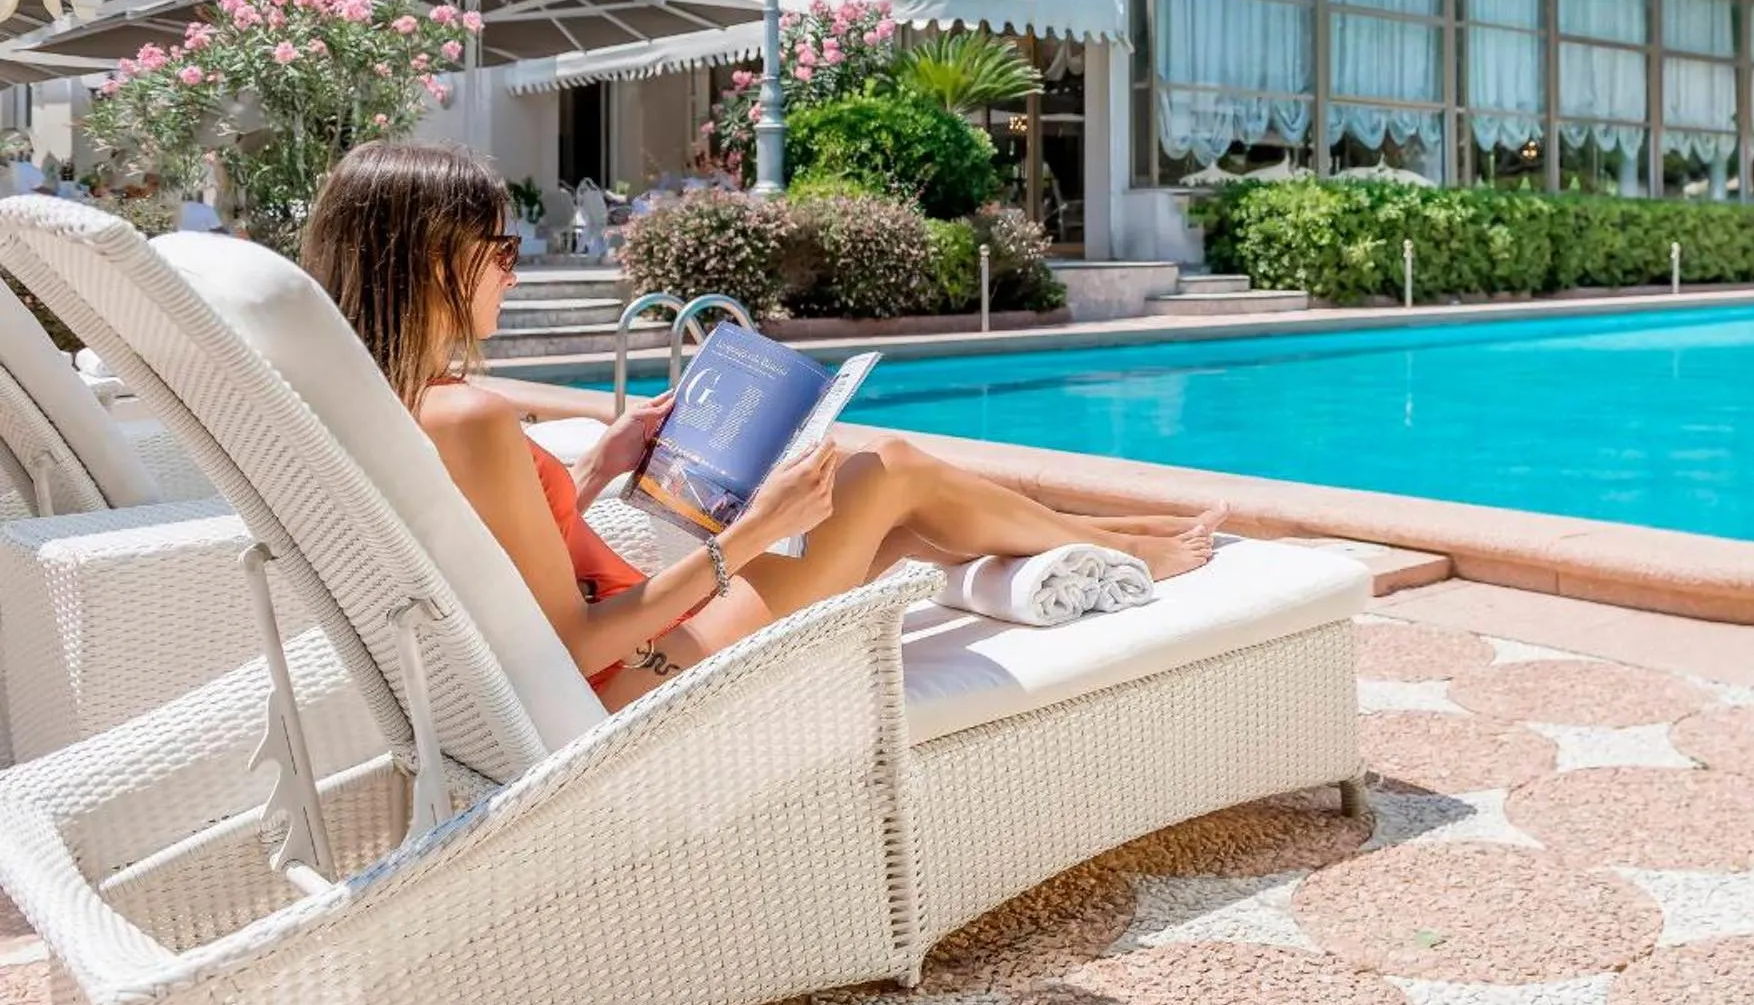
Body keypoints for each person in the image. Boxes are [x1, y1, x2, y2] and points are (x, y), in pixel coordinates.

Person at [300, 142, 1218, 710]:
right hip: (633, 679)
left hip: (618, 648)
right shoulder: (472, 413)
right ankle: (1126, 549)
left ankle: (1106, 539)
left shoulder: (395, 402)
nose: (511, 270)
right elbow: (577, 641)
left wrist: (597, 468)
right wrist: (754, 534)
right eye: (497, 251)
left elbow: (492, 553)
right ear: (426, 263)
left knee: (891, 505)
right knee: (884, 468)